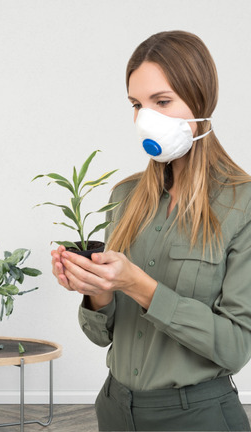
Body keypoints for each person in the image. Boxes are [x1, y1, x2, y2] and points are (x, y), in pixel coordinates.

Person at [51, 30, 251, 431]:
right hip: (114, 409)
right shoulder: (124, 197)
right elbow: (102, 336)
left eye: (162, 102)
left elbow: (235, 347)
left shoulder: (241, 205)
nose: (147, 119)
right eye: (137, 105)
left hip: (197, 416)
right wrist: (97, 290)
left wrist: (140, 285)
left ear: (200, 100)